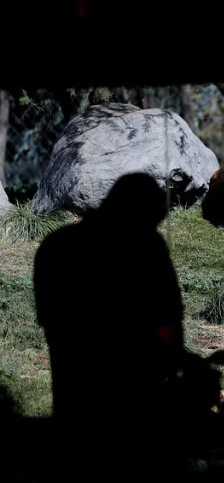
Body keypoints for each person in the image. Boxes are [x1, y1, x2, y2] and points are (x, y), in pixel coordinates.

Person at [34, 173, 187, 479]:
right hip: (136, 398)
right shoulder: (147, 247)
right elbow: (168, 320)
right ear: (144, 212)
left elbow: (50, 323)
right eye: (156, 216)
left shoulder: (55, 247)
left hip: (73, 393)